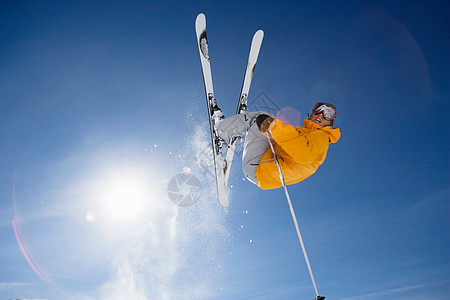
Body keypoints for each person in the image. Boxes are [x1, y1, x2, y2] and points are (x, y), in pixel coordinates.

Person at [213, 102, 341, 190]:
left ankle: (220, 129)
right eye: (318, 109)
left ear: (330, 122)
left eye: (328, 113)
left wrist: (272, 125)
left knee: (260, 117)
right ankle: (244, 123)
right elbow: (287, 145)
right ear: (312, 112)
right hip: (266, 165)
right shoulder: (306, 133)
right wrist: (268, 127)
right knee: (264, 120)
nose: (321, 115)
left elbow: (304, 153)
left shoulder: (321, 138)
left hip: (260, 170)